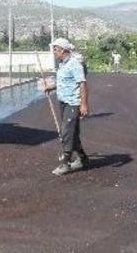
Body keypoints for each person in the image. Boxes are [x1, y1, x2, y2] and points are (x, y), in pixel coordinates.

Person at [44, 38, 90, 176]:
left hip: (73, 103)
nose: (54, 52)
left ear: (63, 50)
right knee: (73, 134)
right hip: (63, 102)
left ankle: (65, 164)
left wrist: (84, 104)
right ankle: (83, 158)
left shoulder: (74, 65)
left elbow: (82, 84)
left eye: (55, 49)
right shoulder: (63, 64)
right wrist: (51, 87)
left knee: (66, 133)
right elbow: (65, 82)